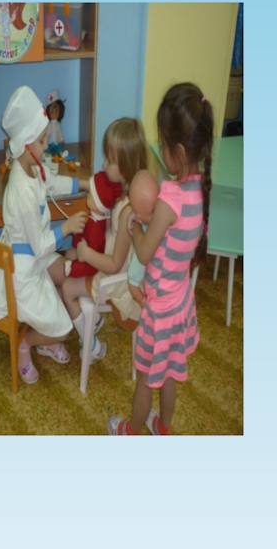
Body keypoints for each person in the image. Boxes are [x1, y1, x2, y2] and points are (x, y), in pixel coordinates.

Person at [108, 82, 213, 435]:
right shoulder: (199, 188)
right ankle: (163, 427)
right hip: (181, 302)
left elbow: (143, 252)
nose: (161, 151)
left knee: (144, 380)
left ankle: (131, 431)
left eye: (164, 145)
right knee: (169, 374)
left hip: (159, 312)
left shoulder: (170, 196)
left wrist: (135, 225)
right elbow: (174, 234)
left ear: (179, 152)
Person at [0, 86, 89, 384]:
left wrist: (84, 184)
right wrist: (67, 228)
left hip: (37, 255)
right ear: (25, 144)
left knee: (67, 273)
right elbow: (40, 245)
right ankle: (27, 343)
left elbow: (53, 182)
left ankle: (46, 334)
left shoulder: (32, 166)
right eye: (43, 140)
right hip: (23, 269)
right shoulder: (20, 190)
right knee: (63, 328)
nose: (46, 146)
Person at [61, 118, 150, 362]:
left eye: (109, 161)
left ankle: (92, 346)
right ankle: (94, 321)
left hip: (115, 280)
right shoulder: (122, 192)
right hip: (108, 263)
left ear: (126, 166)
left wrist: (87, 254)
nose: (104, 164)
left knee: (67, 288)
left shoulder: (128, 211)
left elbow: (115, 264)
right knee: (68, 255)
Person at [64, 170, 122, 278]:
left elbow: (93, 247)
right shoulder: (97, 219)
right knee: (68, 253)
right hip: (87, 249)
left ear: (97, 205)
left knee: (75, 266)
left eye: (90, 195)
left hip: (91, 258)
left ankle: (72, 269)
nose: (87, 196)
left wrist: (81, 245)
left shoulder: (96, 227)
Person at [126, 170, 160, 307]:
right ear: (139, 219)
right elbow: (132, 282)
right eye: (153, 211)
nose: (159, 211)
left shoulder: (161, 218)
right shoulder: (144, 237)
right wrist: (142, 300)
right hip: (154, 294)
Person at [45, 89, 66, 156]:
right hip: (50, 142)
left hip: (57, 142)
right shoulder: (49, 124)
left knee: (59, 148)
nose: (54, 114)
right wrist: (45, 140)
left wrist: (62, 139)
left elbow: (60, 132)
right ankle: (47, 155)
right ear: (48, 112)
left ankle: (60, 153)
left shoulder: (58, 124)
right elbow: (47, 132)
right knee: (47, 150)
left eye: (57, 111)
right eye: (52, 112)